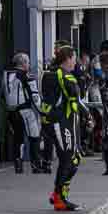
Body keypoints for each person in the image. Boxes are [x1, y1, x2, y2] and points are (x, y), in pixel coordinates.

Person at [40, 46, 83, 211]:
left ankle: (59, 194)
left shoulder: (48, 73)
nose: (75, 62)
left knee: (72, 157)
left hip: (54, 121)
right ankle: (59, 196)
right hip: (61, 122)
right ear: (67, 58)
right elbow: (75, 100)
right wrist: (88, 116)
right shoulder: (64, 76)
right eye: (74, 58)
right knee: (69, 158)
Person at [3, 53, 43, 174]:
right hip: (25, 110)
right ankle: (36, 165)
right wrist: (43, 112)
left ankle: (18, 165)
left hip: (11, 111)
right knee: (34, 137)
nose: (29, 65)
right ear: (23, 63)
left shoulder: (5, 75)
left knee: (18, 138)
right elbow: (35, 96)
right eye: (28, 62)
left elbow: (2, 95)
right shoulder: (26, 76)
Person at [39, 40, 72, 174]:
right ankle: (47, 162)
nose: (55, 51)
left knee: (62, 137)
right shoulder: (51, 66)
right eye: (55, 48)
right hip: (49, 106)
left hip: (63, 108)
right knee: (48, 136)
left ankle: (66, 161)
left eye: (57, 49)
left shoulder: (67, 66)